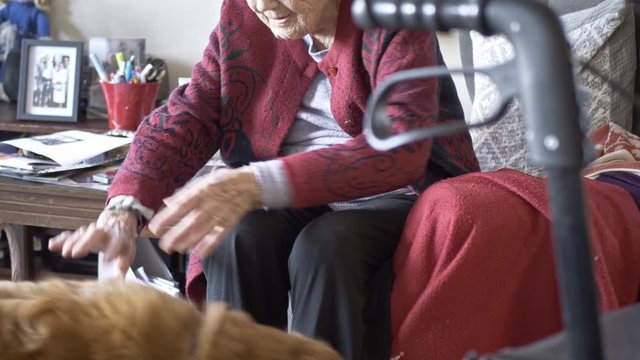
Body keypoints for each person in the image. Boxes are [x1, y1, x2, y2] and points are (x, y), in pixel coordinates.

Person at [48, 0, 479, 358]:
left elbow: (402, 147)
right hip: (282, 191)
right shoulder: (244, 15)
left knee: (326, 246)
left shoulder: (392, 13)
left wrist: (253, 184)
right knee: (234, 234)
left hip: (396, 192)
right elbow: (192, 112)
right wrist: (125, 210)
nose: (265, 6)